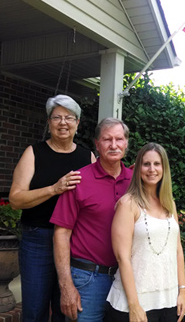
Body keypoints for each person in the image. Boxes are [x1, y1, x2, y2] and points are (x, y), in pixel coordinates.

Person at [9, 94, 96, 322]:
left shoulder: (87, 157)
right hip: (38, 238)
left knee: (66, 309)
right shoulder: (34, 153)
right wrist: (54, 189)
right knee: (35, 309)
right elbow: (16, 199)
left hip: (74, 241)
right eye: (56, 117)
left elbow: (99, 197)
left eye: (69, 117)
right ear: (49, 123)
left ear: (78, 123)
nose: (63, 123)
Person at [50, 117, 133, 322]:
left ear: (126, 143)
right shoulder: (79, 180)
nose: (113, 145)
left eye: (119, 139)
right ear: (97, 144)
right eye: (107, 140)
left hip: (126, 278)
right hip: (88, 279)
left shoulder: (135, 181)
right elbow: (61, 234)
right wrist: (66, 285)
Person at [105, 142, 185, 322]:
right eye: (146, 164)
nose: (152, 169)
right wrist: (134, 305)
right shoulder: (128, 204)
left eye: (157, 164)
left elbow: (178, 250)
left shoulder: (169, 204)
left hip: (169, 300)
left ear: (164, 168)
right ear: (138, 168)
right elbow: (122, 258)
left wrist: (182, 292)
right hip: (134, 302)